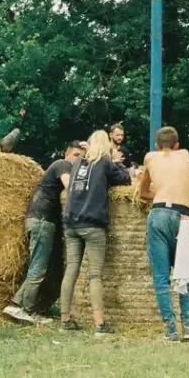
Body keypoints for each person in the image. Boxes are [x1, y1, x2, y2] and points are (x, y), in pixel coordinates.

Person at [57, 130, 131, 336]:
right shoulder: (106, 162)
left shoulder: (79, 163)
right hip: (92, 223)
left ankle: (65, 320)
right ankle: (99, 325)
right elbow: (125, 180)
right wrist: (117, 161)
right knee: (95, 274)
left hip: (71, 223)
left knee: (71, 270)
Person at [3, 140, 85, 325]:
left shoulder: (61, 166)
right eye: (76, 156)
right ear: (67, 154)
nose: (77, 160)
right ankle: (26, 309)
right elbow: (70, 187)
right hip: (42, 221)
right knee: (38, 267)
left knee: (38, 265)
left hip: (40, 221)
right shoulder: (62, 165)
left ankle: (18, 305)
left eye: (81, 158)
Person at [139, 126, 189, 343]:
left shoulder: (150, 157)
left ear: (157, 146)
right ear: (177, 145)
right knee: (183, 272)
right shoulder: (185, 155)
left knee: (160, 277)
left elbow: (142, 192)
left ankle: (171, 330)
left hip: (158, 214)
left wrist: (159, 195)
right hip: (183, 215)